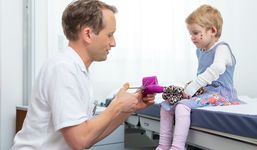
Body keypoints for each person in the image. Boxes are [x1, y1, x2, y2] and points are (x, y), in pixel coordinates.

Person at [11, 0, 155, 149]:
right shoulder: (63, 69)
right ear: (87, 34)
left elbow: (90, 136)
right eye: (110, 35)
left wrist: (128, 108)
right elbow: (80, 141)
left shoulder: (77, 70)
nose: (113, 43)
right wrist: (116, 106)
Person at [156, 4, 241, 150]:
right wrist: (191, 87)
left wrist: (193, 87)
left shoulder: (222, 48)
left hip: (222, 93)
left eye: (195, 33)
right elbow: (202, 76)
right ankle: (163, 145)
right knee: (166, 106)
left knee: (182, 106)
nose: (192, 38)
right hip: (205, 92)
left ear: (212, 30)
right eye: (190, 34)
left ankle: (177, 147)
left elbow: (217, 68)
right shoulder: (200, 51)